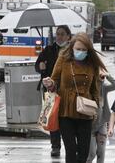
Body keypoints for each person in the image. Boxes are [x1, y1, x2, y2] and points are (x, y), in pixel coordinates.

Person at [42, 32, 107, 163]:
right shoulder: (63, 60)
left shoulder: (92, 64)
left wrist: (96, 109)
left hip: (85, 111)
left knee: (84, 153)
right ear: (72, 48)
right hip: (66, 111)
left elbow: (95, 89)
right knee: (70, 151)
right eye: (78, 49)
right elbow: (54, 81)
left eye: (84, 50)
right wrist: (50, 84)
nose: (81, 52)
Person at [35, 25, 72, 157]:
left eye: (62, 34)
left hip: (67, 90)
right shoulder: (49, 49)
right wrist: (41, 67)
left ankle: (70, 146)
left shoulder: (72, 50)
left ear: (68, 36)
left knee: (67, 119)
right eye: (58, 34)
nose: (59, 36)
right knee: (52, 118)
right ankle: (55, 146)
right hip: (51, 90)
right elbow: (38, 65)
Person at [87, 70, 115, 163]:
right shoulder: (86, 89)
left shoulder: (103, 88)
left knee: (101, 153)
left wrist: (108, 75)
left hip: (102, 124)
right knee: (91, 154)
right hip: (90, 126)